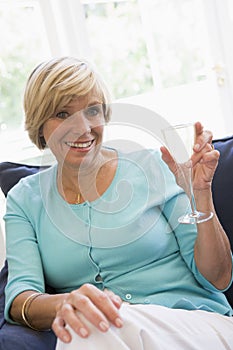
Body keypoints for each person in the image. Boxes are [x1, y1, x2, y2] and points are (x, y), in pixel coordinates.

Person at [3, 56, 233, 350]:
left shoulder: (153, 168)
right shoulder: (25, 199)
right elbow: (21, 295)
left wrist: (201, 195)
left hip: (195, 324)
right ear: (39, 125)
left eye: (92, 110)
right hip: (106, 333)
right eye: (63, 114)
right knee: (89, 326)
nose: (83, 128)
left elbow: (219, 277)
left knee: (91, 329)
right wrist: (68, 304)